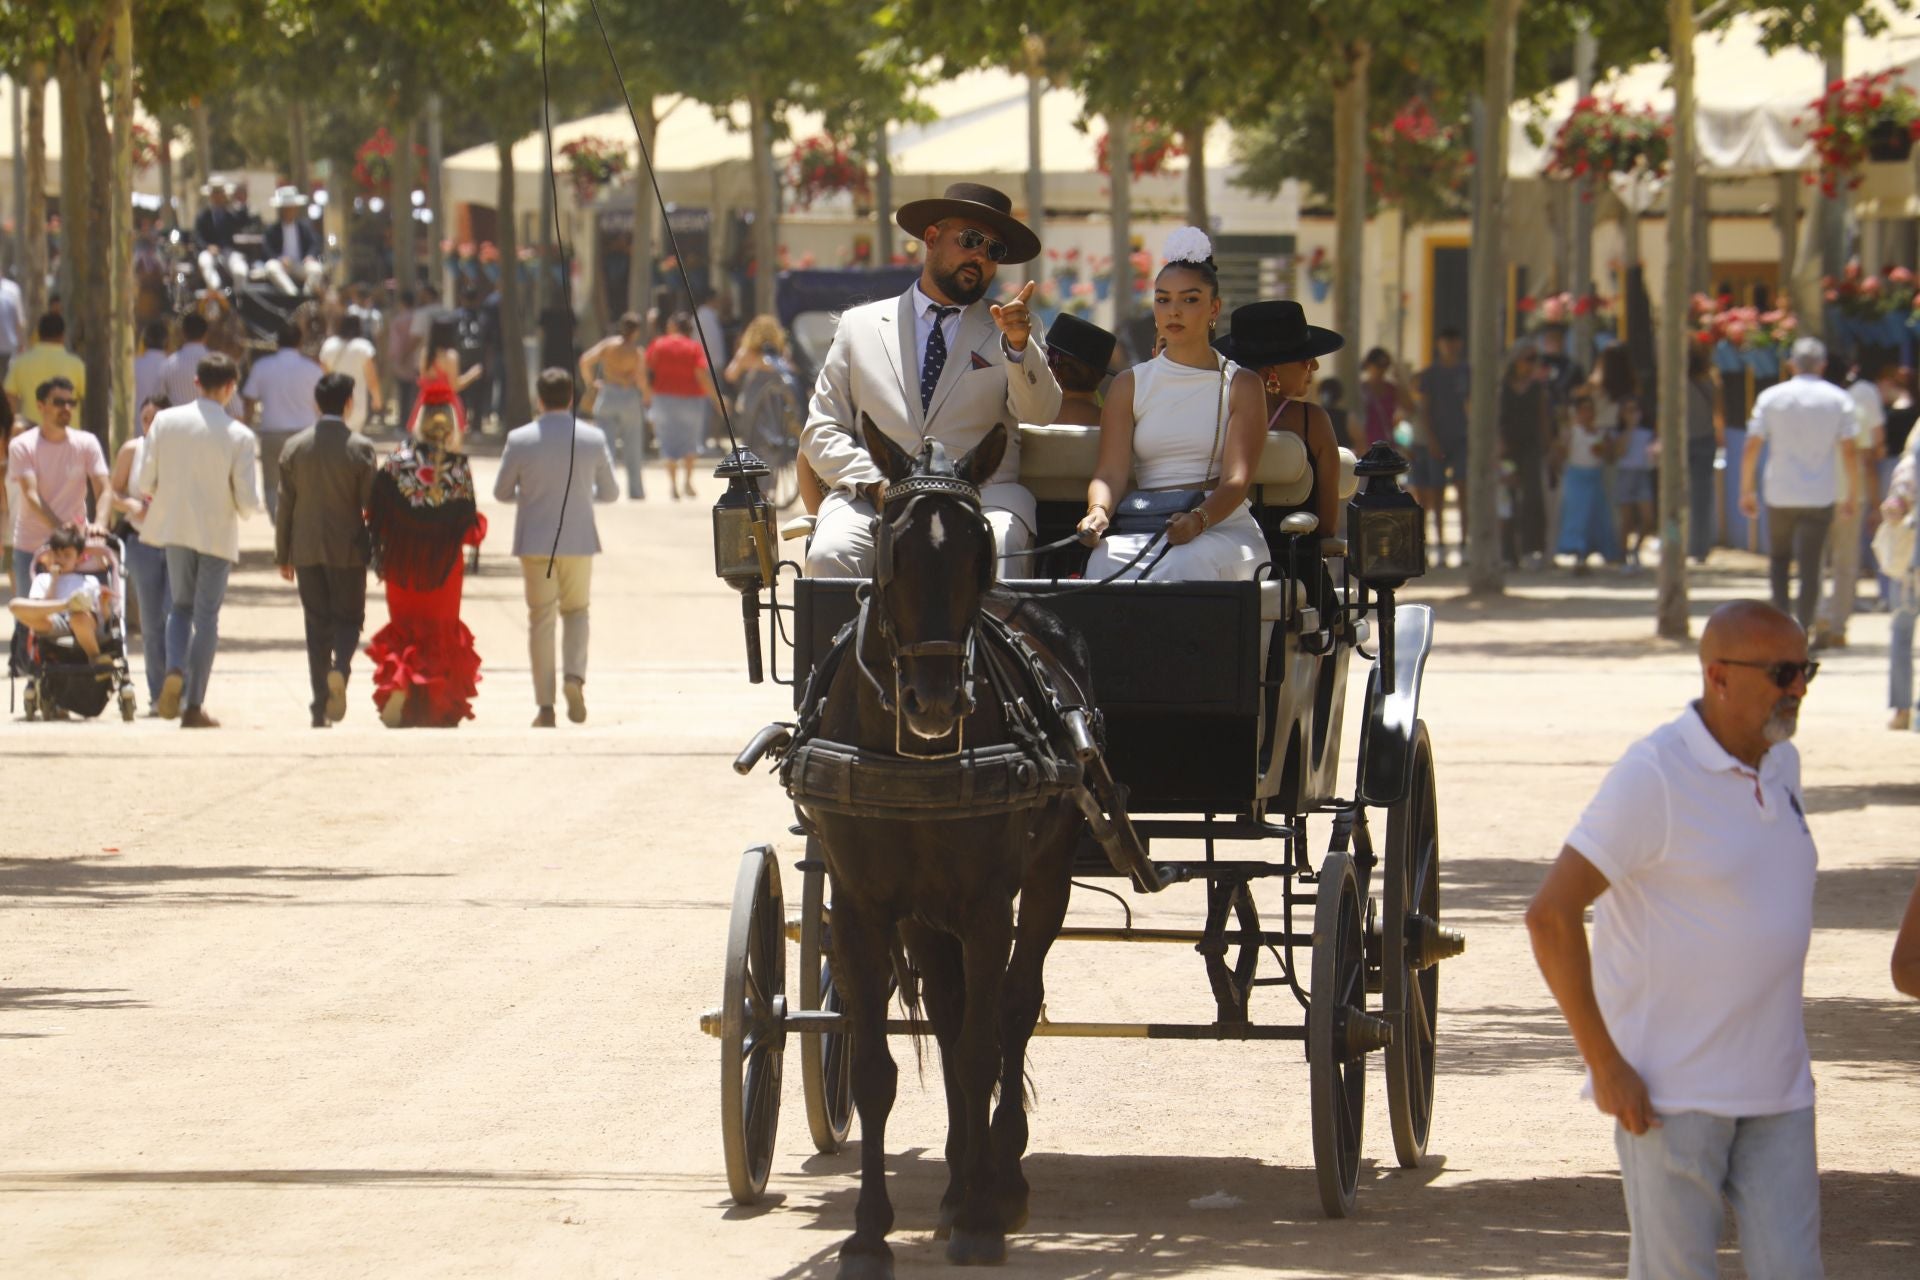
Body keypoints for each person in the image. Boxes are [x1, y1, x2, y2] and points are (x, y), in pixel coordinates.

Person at [1527, 599, 1825, 1280]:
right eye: (1783, 672)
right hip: (1669, 1099)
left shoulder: (1783, 765)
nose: (1798, 689)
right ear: (1718, 677)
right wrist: (1604, 1064)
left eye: (1806, 669)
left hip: (1779, 1093)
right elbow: (1550, 915)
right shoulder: (1654, 775)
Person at [800, 181, 1061, 577]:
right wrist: (875, 485)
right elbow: (821, 430)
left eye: (994, 250)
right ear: (932, 238)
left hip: (980, 498)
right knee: (829, 554)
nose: (980, 257)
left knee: (1002, 544)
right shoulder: (860, 326)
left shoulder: (1015, 331)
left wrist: (1020, 348)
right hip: (875, 497)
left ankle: (987, 643)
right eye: (971, 240)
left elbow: (1040, 413)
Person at [1076, 234, 1286, 582]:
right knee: (1103, 563)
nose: (1174, 311)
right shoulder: (1129, 384)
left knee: (1186, 564)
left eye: (1190, 299)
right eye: (1163, 300)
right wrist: (1098, 512)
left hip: (1221, 527)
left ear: (1214, 309)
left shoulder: (1242, 384)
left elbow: (1237, 481)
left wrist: (1199, 520)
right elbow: (1110, 473)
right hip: (1147, 522)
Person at [136, 353, 262, 728]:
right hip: (217, 533)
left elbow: (145, 482)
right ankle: (194, 704)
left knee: (179, 608)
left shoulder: (165, 422)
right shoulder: (239, 435)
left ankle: (174, 666)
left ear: (195, 382)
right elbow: (246, 500)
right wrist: (244, 509)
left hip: (175, 529)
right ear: (230, 388)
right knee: (207, 616)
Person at [494, 368, 618, 727]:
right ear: (573, 398)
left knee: (540, 621)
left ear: (539, 398)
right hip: (579, 540)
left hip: (535, 542)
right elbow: (610, 492)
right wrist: (582, 496)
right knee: (577, 611)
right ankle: (574, 677)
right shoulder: (592, 438)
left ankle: (545, 706)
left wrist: (530, 495)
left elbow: (502, 492)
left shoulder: (520, 439)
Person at [364, 395, 486, 728]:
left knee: (406, 628)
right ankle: (434, 705)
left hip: (402, 564)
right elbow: (468, 526)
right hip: (443, 569)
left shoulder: (396, 462)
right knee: (438, 631)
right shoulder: (458, 467)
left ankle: (400, 686)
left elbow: (374, 515)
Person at [275, 372, 378, 729]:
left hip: (304, 548)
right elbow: (371, 505)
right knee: (349, 619)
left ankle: (319, 706)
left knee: (316, 624)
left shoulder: (295, 448)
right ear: (349, 403)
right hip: (348, 548)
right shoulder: (361, 449)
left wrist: (282, 554)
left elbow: (284, 505)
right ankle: (341, 669)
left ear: (316, 404)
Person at [1741, 337, 1860, 633]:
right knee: (1811, 568)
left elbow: (1752, 445)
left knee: (1779, 561)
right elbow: (1849, 451)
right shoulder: (1838, 399)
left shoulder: (1771, 397)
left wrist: (1746, 489)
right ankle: (1802, 630)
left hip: (1779, 492)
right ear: (1822, 365)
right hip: (1819, 494)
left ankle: (1781, 627)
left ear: (1791, 363)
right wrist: (1852, 495)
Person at [7, 377, 109, 596]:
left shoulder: (86, 443)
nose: (66, 408)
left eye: (70, 403)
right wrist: (61, 528)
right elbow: (32, 495)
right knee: (29, 620)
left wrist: (99, 524)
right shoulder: (22, 446)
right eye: (58, 402)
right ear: (40, 406)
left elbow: (104, 489)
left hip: (74, 550)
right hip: (31, 545)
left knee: (82, 613)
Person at [1813, 356, 1888, 648]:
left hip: (1814, 495)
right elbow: (1868, 458)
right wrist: (1874, 499)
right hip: (1849, 495)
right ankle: (1838, 625)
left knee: (1815, 562)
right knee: (1846, 563)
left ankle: (1817, 615)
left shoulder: (1810, 409)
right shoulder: (1852, 407)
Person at [105, 393, 172, 712]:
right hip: (141, 540)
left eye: (156, 418)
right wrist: (130, 505)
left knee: (174, 614)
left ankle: (180, 685)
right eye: (145, 419)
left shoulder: (181, 449)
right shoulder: (132, 450)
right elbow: (113, 491)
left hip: (176, 540)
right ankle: (158, 693)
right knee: (150, 618)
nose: (149, 425)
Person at [242, 321, 324, 519]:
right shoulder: (313, 369)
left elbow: (249, 400)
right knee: (306, 482)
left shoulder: (262, 367)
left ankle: (279, 522)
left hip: (272, 432)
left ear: (277, 342)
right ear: (300, 341)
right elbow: (321, 404)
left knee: (272, 482)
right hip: (306, 434)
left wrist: (247, 426)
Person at [8, 523, 109, 663]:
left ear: (79, 558)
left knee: (78, 617)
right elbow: (39, 610)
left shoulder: (89, 581)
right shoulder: (43, 579)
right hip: (52, 621)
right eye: (56, 554)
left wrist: (104, 603)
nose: (60, 559)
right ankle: (67, 604)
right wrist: (54, 581)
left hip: (83, 623)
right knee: (15, 605)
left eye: (67, 555)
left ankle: (95, 657)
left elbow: (103, 618)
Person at [1413, 328, 1471, 562]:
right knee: (1435, 493)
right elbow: (1424, 410)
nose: (1450, 346)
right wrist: (1432, 440)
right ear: (1439, 344)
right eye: (1445, 341)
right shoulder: (1430, 375)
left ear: (1459, 343)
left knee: (1462, 489)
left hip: (1461, 438)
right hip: (1435, 440)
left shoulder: (1467, 372)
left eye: (1453, 341)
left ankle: (1464, 544)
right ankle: (1438, 544)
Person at [645, 312, 715, 500]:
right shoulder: (694, 347)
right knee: (690, 441)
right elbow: (701, 374)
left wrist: (647, 394)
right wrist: (716, 398)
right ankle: (688, 481)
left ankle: (673, 485)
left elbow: (647, 368)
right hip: (691, 400)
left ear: (673, 327)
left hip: (663, 399)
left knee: (667, 442)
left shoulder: (659, 344)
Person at [582, 311, 651, 499]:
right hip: (629, 396)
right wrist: (646, 397)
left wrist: (591, 383)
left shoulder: (608, 346)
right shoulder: (637, 352)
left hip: (608, 394)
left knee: (606, 446)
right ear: (636, 331)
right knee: (633, 446)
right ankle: (636, 491)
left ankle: (604, 489)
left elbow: (585, 361)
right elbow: (641, 379)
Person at [1498, 344, 1554, 569]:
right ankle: (1508, 554)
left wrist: (1548, 448)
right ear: (1516, 361)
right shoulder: (1502, 388)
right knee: (1507, 500)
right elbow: (1495, 419)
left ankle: (1532, 549)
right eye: (1527, 359)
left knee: (1532, 497)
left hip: (1531, 447)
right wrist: (1497, 444)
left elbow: (1544, 419)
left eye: (1534, 360)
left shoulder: (1538, 389)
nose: (1531, 364)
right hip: (1507, 449)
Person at [1556, 389, 1621, 574]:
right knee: (1578, 518)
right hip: (1576, 478)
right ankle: (1578, 555)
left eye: (1590, 409)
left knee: (1597, 518)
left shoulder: (1601, 433)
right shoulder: (1571, 432)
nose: (1587, 414)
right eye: (1583, 410)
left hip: (1595, 478)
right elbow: (1561, 453)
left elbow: (1610, 458)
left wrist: (1605, 449)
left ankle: (1597, 552)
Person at [1880, 438, 1917, 730]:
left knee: (1901, 636)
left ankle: (1903, 711)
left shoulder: (1910, 464)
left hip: (1910, 569)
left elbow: (1896, 503)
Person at [4, 312, 86, 428]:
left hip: (31, 435)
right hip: (67, 435)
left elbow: (9, 400)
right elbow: (86, 399)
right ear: (63, 335)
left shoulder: (20, 363)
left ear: (38, 334)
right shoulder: (77, 365)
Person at [414, 314, 481, 436]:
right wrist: (472, 374)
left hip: (426, 403)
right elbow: (455, 386)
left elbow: (423, 380)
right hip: (448, 404)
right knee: (455, 443)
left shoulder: (425, 354)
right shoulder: (451, 356)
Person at [1684, 344, 1721, 564]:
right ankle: (1699, 548)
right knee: (1702, 498)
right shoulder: (1710, 381)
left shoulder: (1674, 383)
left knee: (1678, 497)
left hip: (1681, 443)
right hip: (1706, 440)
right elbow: (1719, 414)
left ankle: (1679, 544)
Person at [320, 314, 382, 433]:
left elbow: (324, 376)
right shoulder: (363, 347)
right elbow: (371, 377)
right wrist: (376, 398)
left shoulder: (329, 345)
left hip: (332, 402)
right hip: (356, 401)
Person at [1612, 397, 1655, 570]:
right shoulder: (1618, 434)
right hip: (1625, 475)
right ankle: (1623, 553)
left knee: (1648, 518)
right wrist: (1629, 428)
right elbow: (1619, 452)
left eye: (1635, 410)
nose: (1633, 414)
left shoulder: (1648, 433)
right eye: (1628, 410)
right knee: (1627, 520)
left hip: (1642, 475)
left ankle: (1636, 549)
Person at [259, 186, 323, 296]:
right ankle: (293, 294)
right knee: (271, 267)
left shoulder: (304, 227)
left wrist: (310, 256)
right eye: (286, 208)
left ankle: (305, 297)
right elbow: (266, 250)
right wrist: (279, 258)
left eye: (292, 208)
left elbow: (314, 243)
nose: (289, 211)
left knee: (317, 269)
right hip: (281, 265)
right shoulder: (272, 229)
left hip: (300, 264)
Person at [1357, 346, 1399, 453]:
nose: (1382, 370)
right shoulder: (1360, 389)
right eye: (1378, 365)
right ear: (1368, 365)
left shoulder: (1392, 389)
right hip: (1366, 446)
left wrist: (1399, 376)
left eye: (1385, 366)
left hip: (1387, 445)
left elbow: (1410, 407)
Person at [133, 320, 170, 418]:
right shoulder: (172, 366)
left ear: (144, 342)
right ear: (167, 342)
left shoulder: (134, 365)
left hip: (136, 425)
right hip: (165, 427)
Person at [0, 271, 20, 391]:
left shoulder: (12, 291)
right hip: (9, 345)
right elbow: (19, 322)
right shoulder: (12, 292)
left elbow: (18, 321)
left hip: (8, 346)